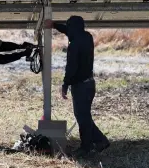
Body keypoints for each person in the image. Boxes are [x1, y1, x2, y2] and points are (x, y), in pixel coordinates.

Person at [44, 16, 110, 157]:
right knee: (84, 116)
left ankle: (87, 146)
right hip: (89, 84)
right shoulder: (87, 37)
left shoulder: (74, 45)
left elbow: (71, 67)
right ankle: (100, 141)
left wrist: (65, 84)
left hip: (80, 86)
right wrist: (55, 25)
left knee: (82, 117)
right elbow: (69, 31)